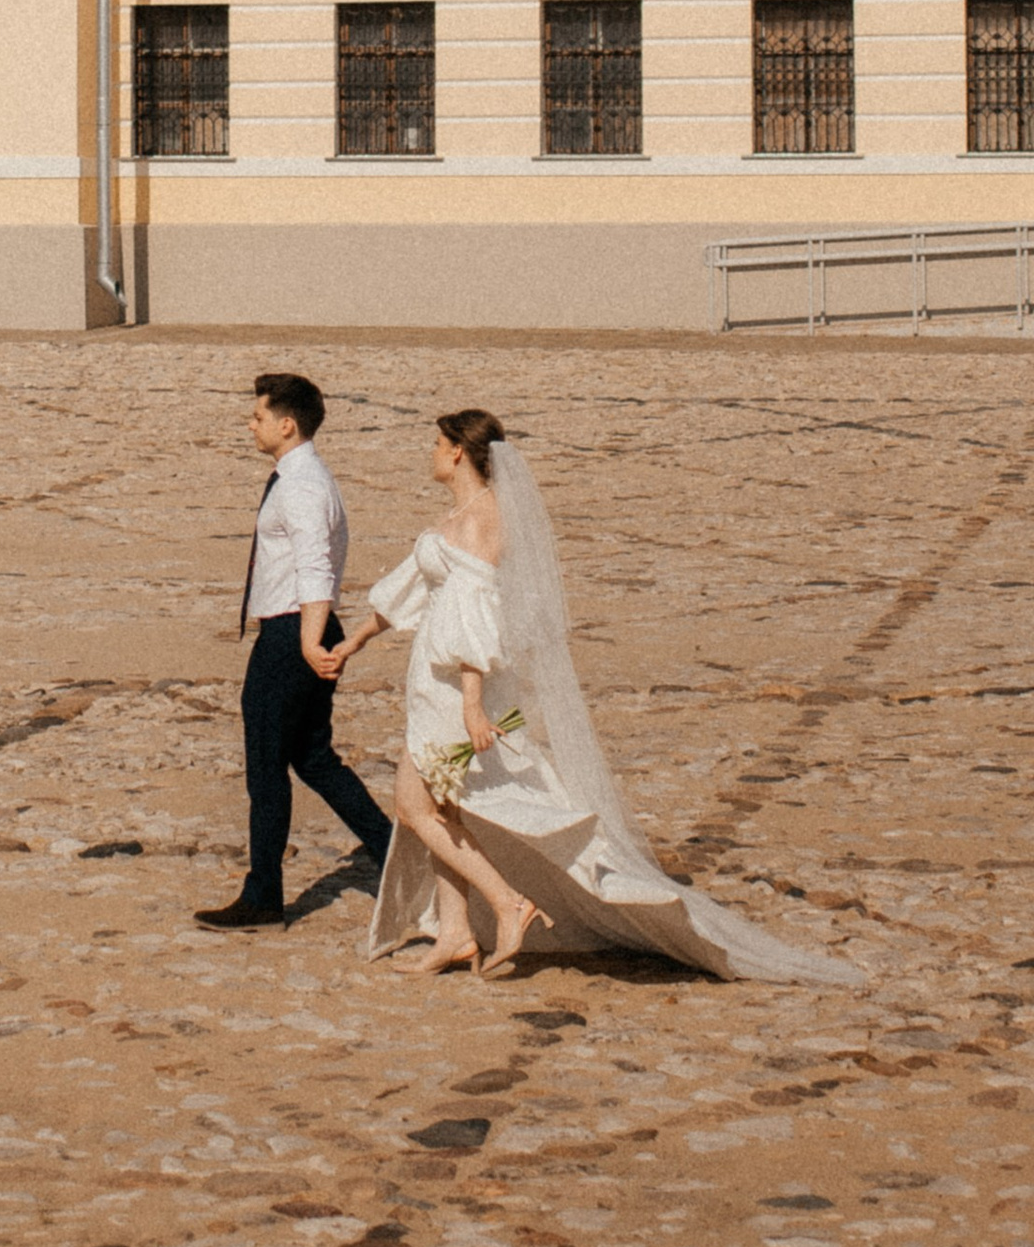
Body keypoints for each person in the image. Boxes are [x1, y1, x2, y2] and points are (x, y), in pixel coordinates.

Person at [321, 407, 852, 985]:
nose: (429, 451)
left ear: (456, 452)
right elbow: (414, 584)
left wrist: (473, 703)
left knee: (413, 806)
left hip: (456, 691)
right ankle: (455, 933)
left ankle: (506, 903)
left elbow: (475, 619)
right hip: (433, 687)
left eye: (436, 441)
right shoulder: (462, 515)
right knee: (445, 808)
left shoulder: (481, 521)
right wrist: (354, 641)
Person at [195, 369, 393, 933]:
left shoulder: (303, 485)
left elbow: (315, 565)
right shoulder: (300, 477)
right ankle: (397, 852)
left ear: (287, 424)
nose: (249, 424)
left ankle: (263, 896)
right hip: (300, 627)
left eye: (257, 416)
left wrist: (308, 638)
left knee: (267, 765)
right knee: (312, 758)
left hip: (292, 633)